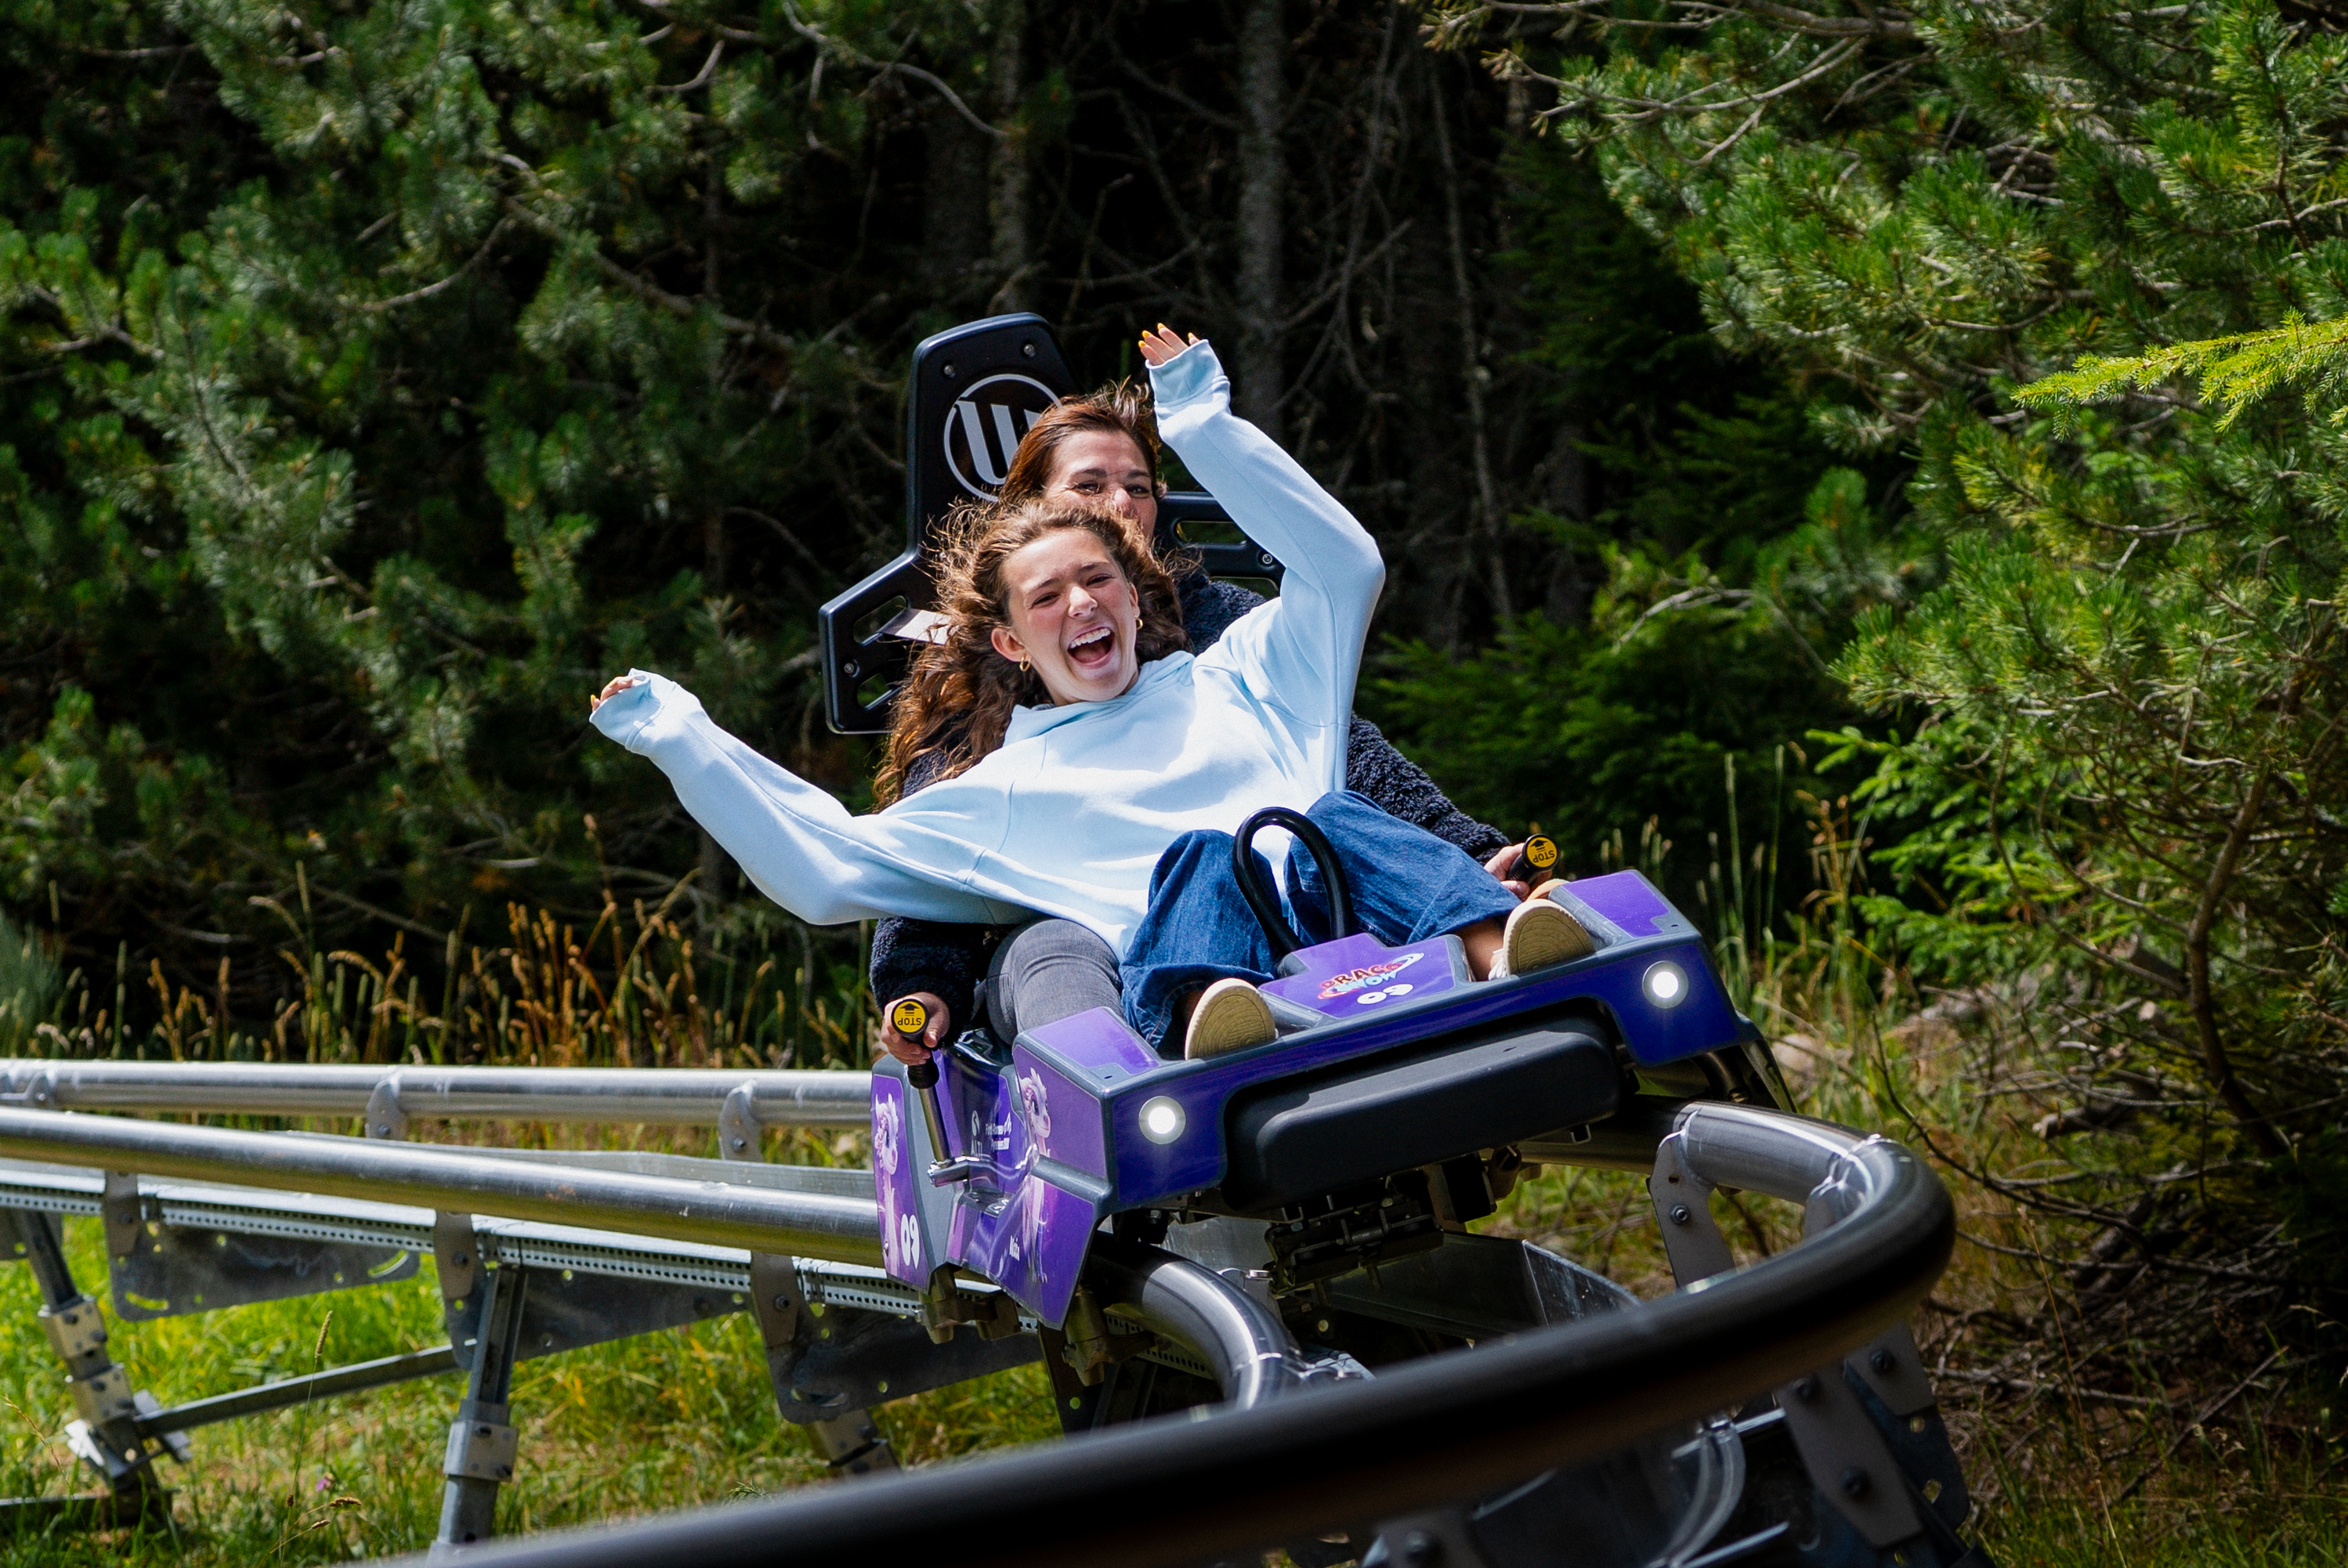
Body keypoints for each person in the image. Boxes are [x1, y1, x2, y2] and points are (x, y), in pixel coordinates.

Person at [590, 326, 1590, 1061]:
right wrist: (680, 734)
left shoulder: (1237, 666)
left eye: (1099, 579)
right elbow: (825, 865)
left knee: (1333, 813)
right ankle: (1215, 1013)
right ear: (1011, 642)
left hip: (1345, 934)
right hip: (1202, 995)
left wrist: (1203, 422)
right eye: (1049, 596)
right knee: (1196, 860)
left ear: (1139, 584)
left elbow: (1346, 570)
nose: (1082, 605)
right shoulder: (1007, 779)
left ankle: (1499, 943)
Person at [866, 375, 1528, 1068]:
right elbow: (936, 846)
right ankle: (1112, 1089)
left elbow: (1337, 750)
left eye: (1139, 486)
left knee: (1329, 819)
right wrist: (920, 979)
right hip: (1092, 921)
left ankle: (1497, 941)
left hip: (1262, 879)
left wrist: (1467, 847)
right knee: (1056, 942)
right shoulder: (975, 684)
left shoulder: (1225, 629)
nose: (1120, 503)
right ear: (1036, 512)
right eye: (1089, 487)